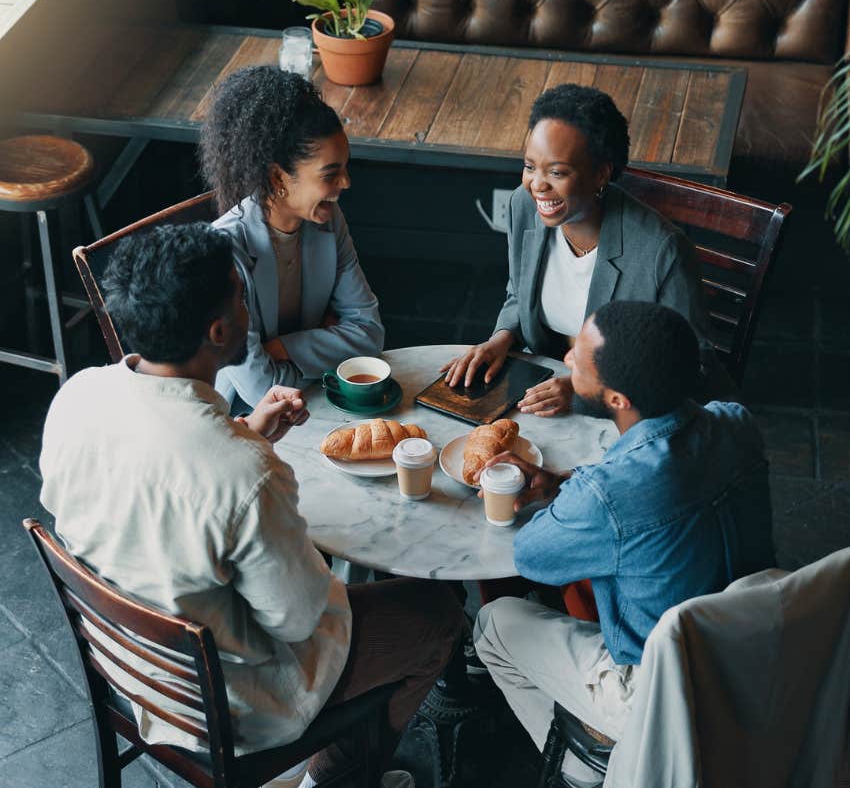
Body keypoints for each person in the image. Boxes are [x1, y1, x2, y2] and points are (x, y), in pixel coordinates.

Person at [39, 224, 461, 788]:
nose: (249, 306)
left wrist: (246, 433)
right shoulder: (245, 474)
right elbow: (297, 617)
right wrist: (248, 458)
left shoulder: (78, 397)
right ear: (218, 331)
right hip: (227, 704)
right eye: (243, 297)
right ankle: (335, 778)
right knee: (436, 614)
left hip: (128, 665)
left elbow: (153, 470)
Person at [472, 301, 774, 787]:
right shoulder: (737, 423)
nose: (567, 359)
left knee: (493, 625)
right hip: (751, 657)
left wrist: (573, 496)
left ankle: (591, 771)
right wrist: (559, 484)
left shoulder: (606, 495)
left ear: (615, 399)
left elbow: (531, 557)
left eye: (579, 358)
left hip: (656, 696)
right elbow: (661, 485)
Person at [442, 83, 733, 414]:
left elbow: (689, 363)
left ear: (601, 174)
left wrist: (584, 388)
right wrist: (502, 338)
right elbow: (518, 294)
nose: (537, 185)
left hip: (634, 413)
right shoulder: (523, 206)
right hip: (543, 386)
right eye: (529, 166)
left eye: (557, 172)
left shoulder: (661, 252)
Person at [199, 66, 384, 411]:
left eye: (345, 168)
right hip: (241, 414)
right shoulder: (225, 249)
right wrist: (327, 344)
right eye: (331, 174)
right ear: (278, 177)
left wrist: (281, 349)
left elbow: (370, 334)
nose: (346, 183)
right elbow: (259, 389)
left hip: (316, 402)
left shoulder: (328, 222)